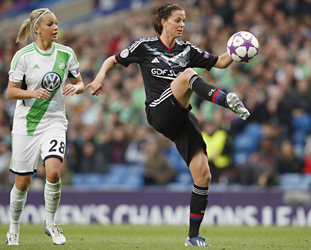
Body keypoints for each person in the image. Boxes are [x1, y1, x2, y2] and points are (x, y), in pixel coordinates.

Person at [86, 2, 250, 247]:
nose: (182, 24)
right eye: (178, 20)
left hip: (181, 118)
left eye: (184, 20)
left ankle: (193, 237)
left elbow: (221, 62)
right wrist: (100, 76)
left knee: (203, 175)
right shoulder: (145, 46)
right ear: (163, 22)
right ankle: (226, 100)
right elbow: (112, 59)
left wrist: (240, 50)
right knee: (186, 76)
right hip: (158, 111)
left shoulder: (187, 50)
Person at [5, 8, 84, 246]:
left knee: (54, 172)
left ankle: (50, 223)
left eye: (57, 23)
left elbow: (80, 82)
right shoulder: (23, 56)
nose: (56, 27)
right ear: (36, 28)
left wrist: (76, 88)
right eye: (50, 24)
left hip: (54, 121)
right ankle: (14, 228)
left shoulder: (66, 53)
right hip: (26, 123)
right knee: (22, 182)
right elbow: (10, 91)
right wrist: (32, 92)